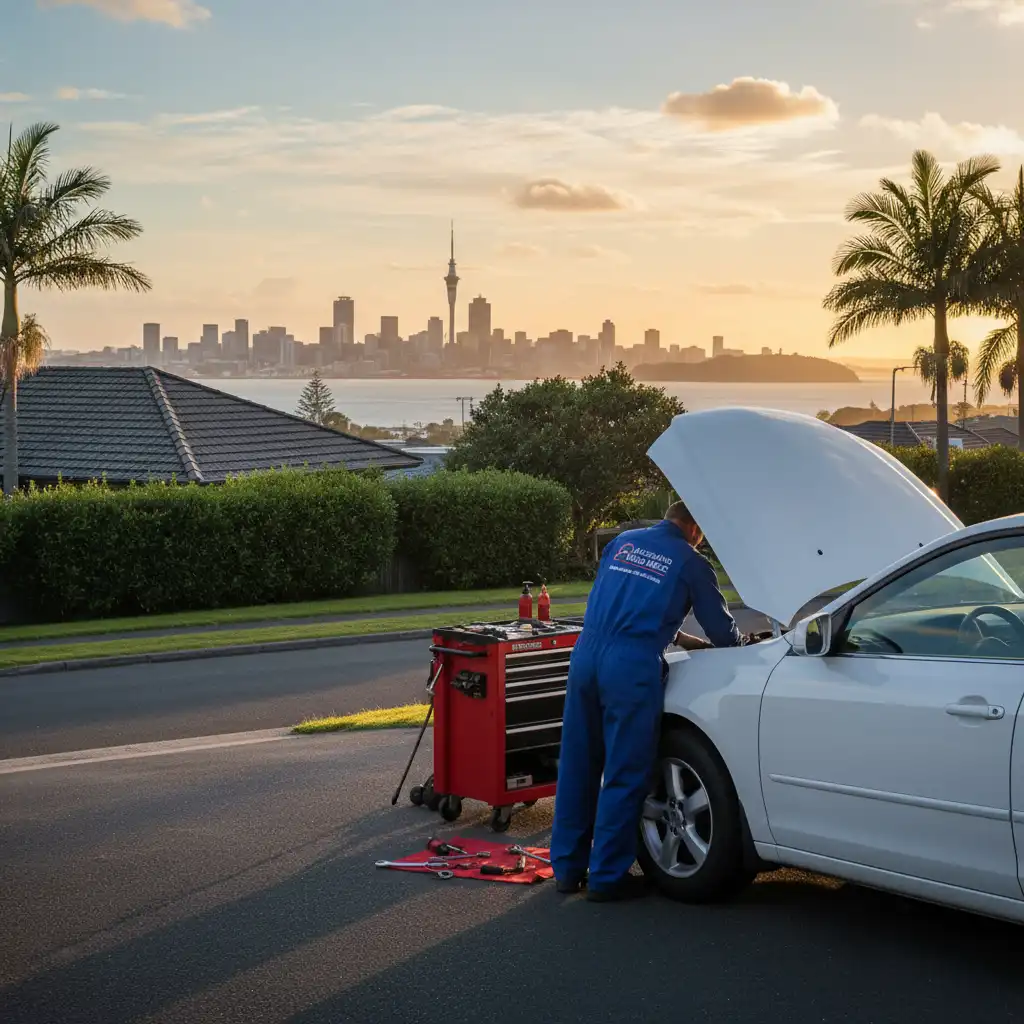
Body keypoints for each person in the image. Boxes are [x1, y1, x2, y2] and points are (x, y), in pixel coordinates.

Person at [551, 500, 742, 902]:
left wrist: (678, 635)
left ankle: (567, 869)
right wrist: (743, 644)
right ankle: (606, 877)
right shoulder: (691, 562)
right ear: (695, 529)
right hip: (630, 666)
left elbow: (624, 603)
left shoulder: (622, 543)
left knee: (579, 764)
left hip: (586, 655)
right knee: (625, 769)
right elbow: (724, 635)